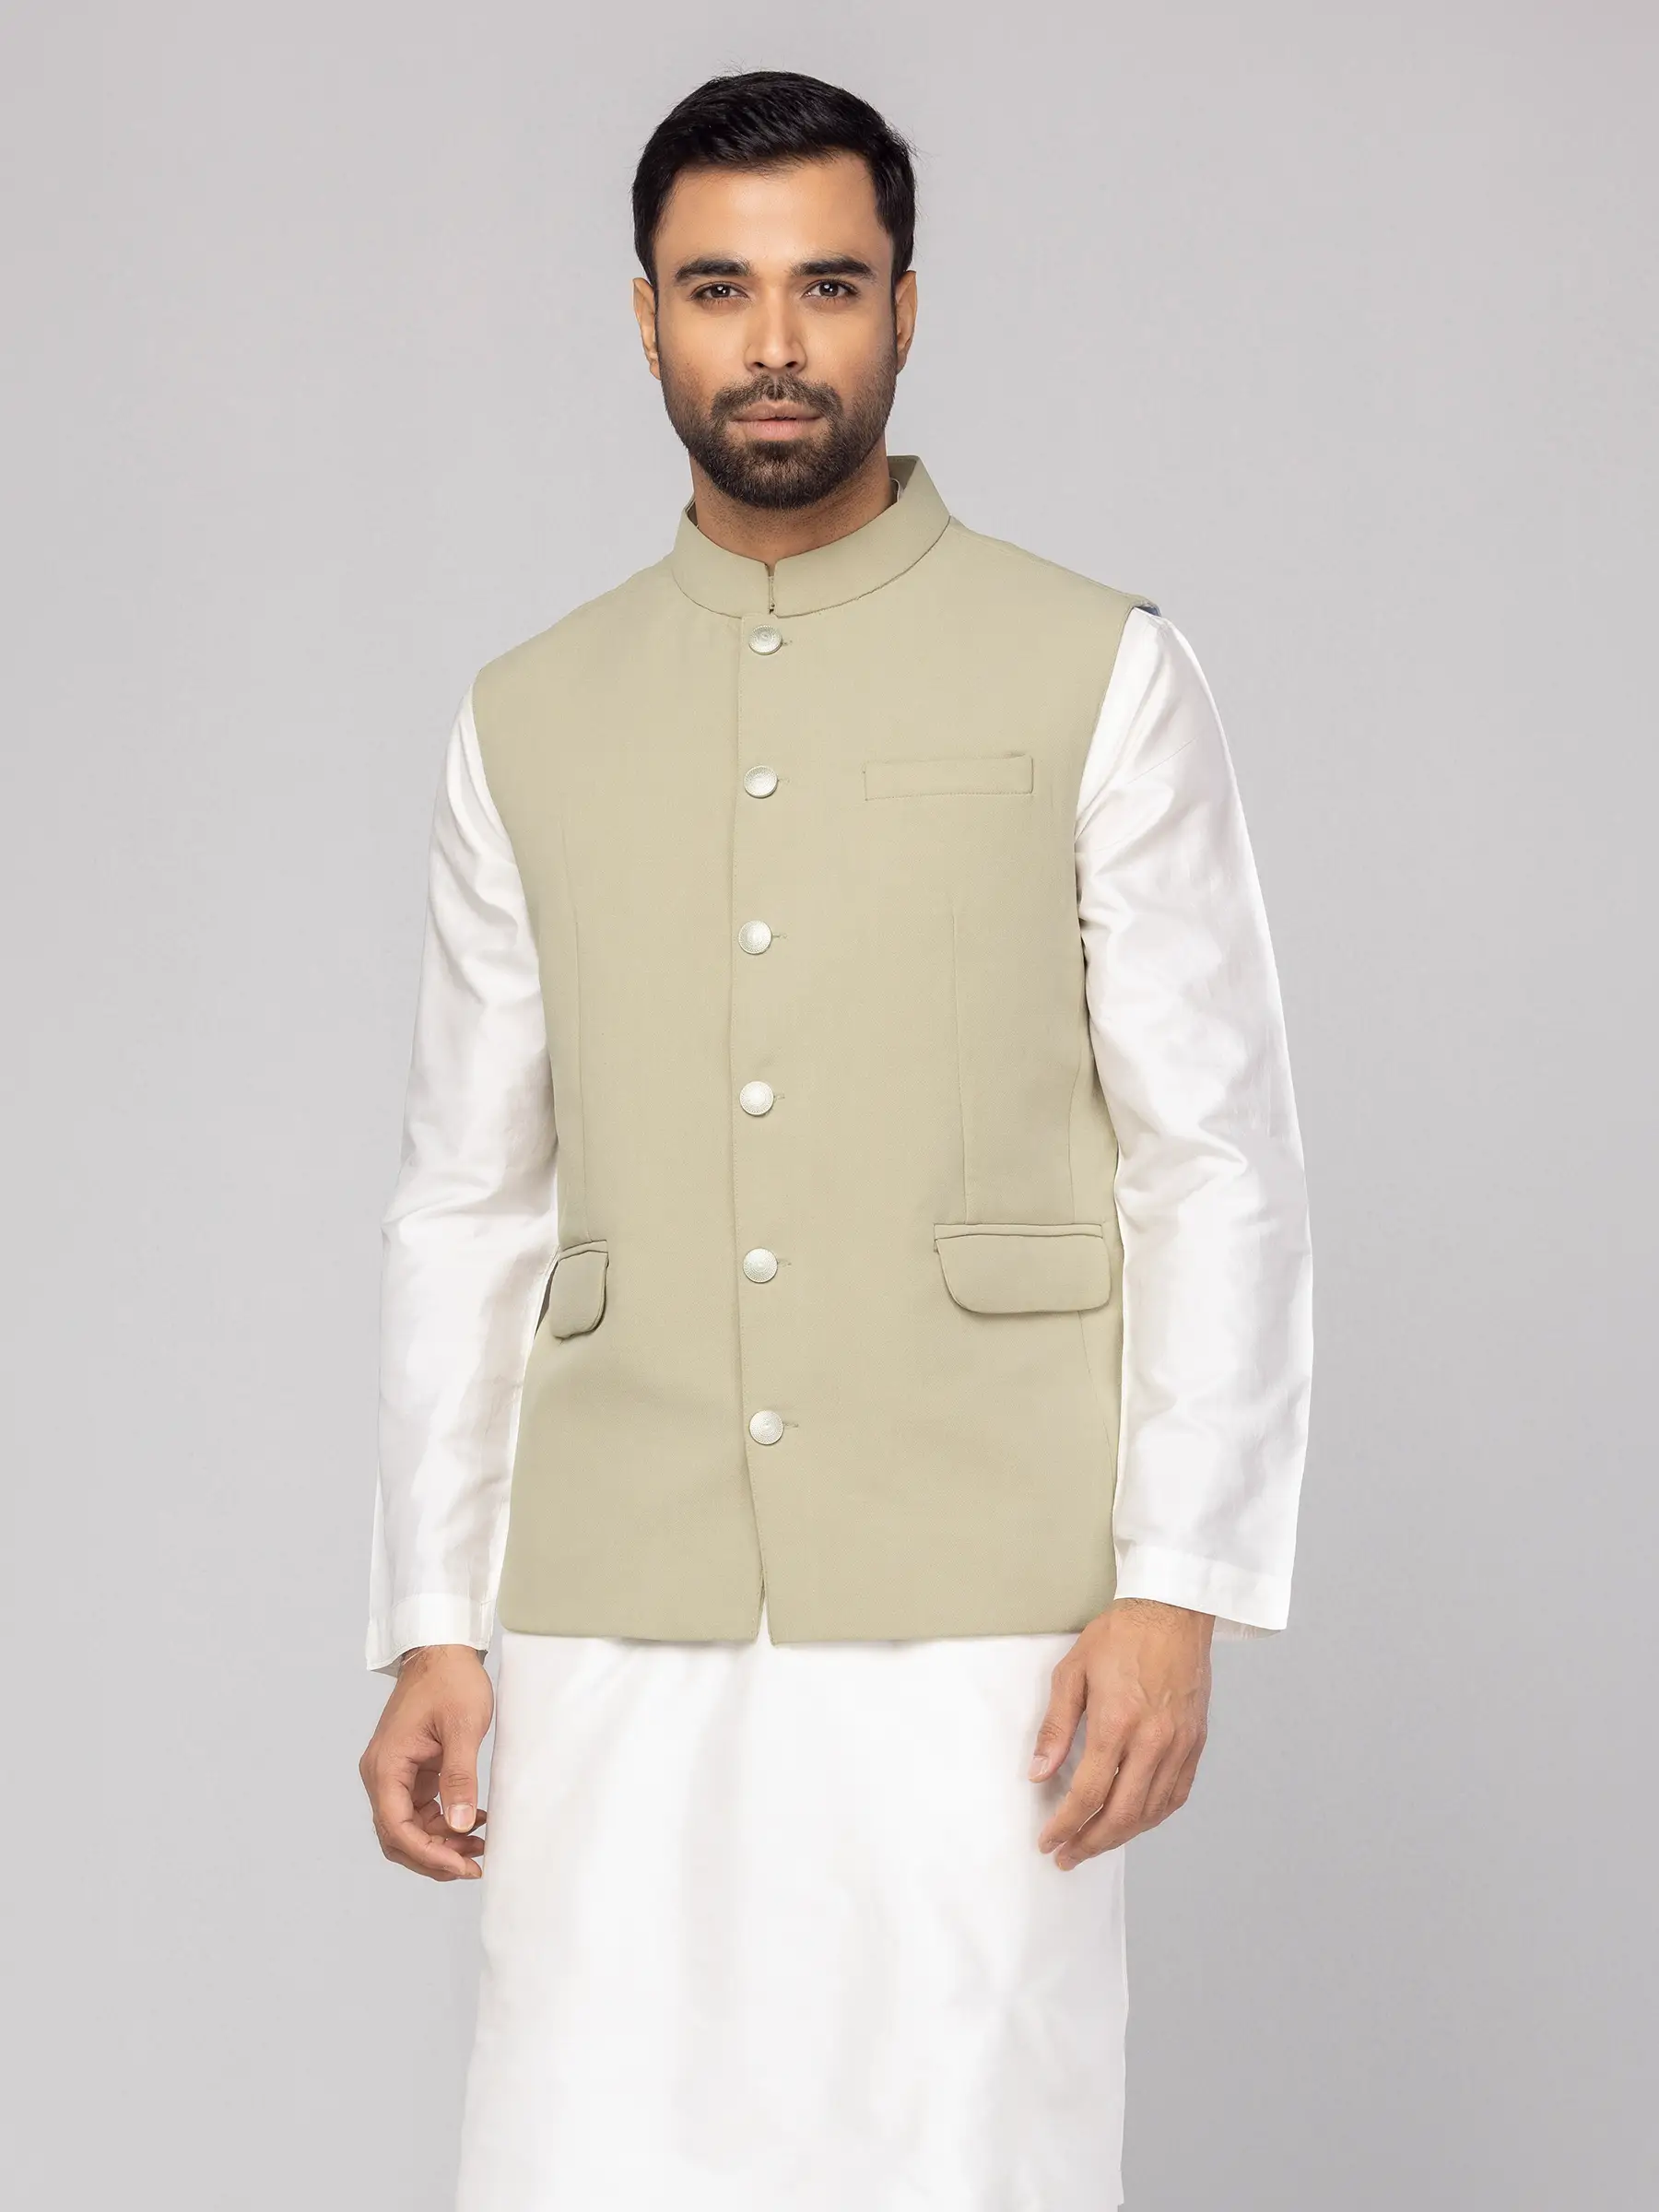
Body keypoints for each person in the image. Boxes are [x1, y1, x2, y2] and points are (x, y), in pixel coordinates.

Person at [358, 67, 1312, 2212]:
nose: (775, 343)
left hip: (988, 1596)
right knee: (591, 2149)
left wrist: (1177, 1587)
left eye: (829, 286)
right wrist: (431, 1615)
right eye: (720, 289)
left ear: (906, 307)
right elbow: (468, 1195)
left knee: (966, 2152)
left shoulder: (1099, 670)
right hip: (614, 1587)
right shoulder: (526, 714)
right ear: (644, 318)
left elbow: (1218, 1156)